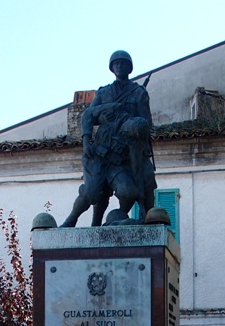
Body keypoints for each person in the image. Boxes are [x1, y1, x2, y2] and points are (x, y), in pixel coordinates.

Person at [61, 50, 156, 227]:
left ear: (130, 67)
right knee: (91, 193)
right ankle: (71, 220)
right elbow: (88, 115)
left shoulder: (138, 93)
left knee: (134, 188)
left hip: (123, 155)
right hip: (100, 153)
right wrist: (86, 141)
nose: (120, 66)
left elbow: (146, 122)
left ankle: (122, 220)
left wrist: (129, 123)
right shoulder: (104, 93)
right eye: (117, 63)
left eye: (124, 63)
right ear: (112, 68)